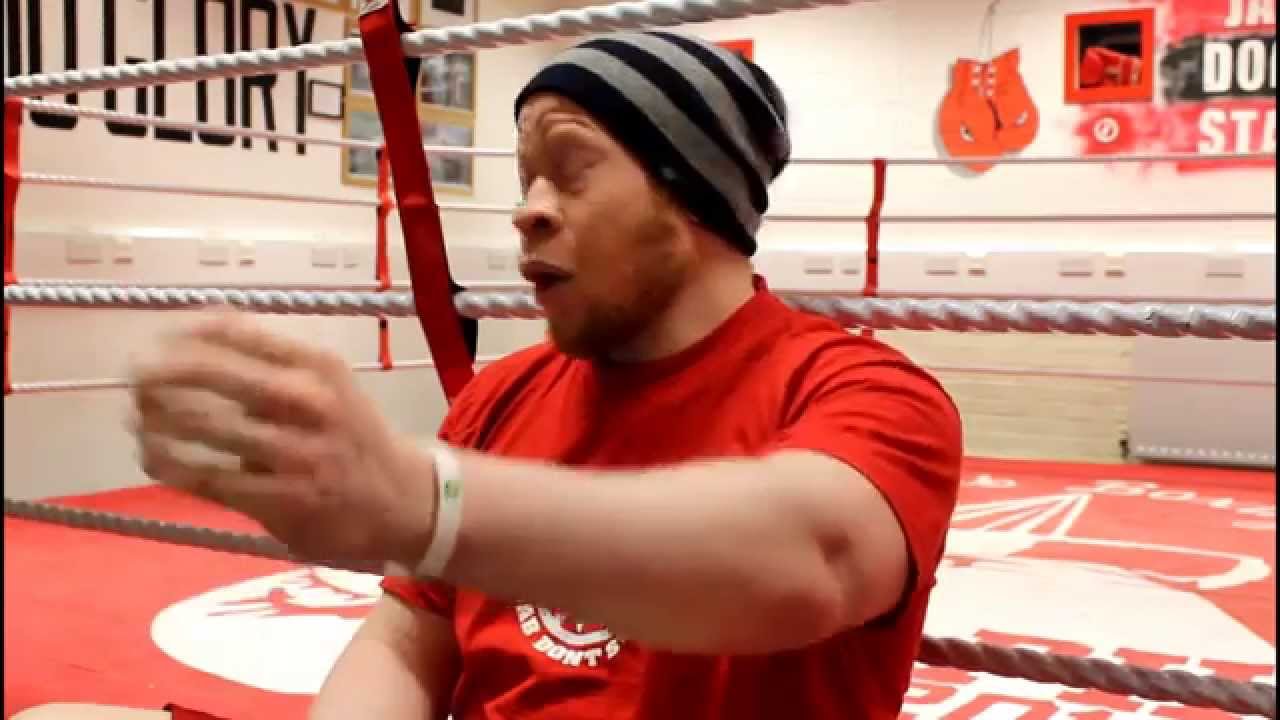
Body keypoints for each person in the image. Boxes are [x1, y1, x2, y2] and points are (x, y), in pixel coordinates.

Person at [16, 32, 962, 720]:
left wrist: (422, 502)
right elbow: (404, 643)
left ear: (693, 195)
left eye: (570, 169)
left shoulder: (863, 390)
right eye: (525, 177)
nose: (528, 211)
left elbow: (810, 561)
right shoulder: (505, 394)